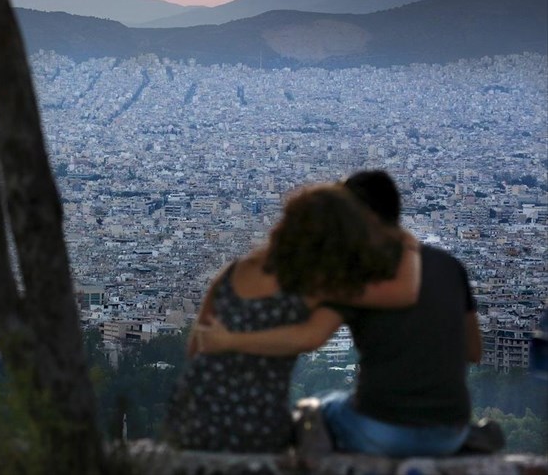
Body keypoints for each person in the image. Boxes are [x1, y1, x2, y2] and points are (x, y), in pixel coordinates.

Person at [197, 170, 482, 457]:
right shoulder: (450, 266)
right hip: (450, 432)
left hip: (380, 431)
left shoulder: (358, 273)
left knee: (315, 410)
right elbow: (473, 350)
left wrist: (230, 340)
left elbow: (308, 337)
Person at [164, 183, 420, 453]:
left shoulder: (233, 272)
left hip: (189, 416)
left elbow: (196, 346)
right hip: (254, 423)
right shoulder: (315, 286)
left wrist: (227, 342)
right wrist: (407, 242)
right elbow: (403, 294)